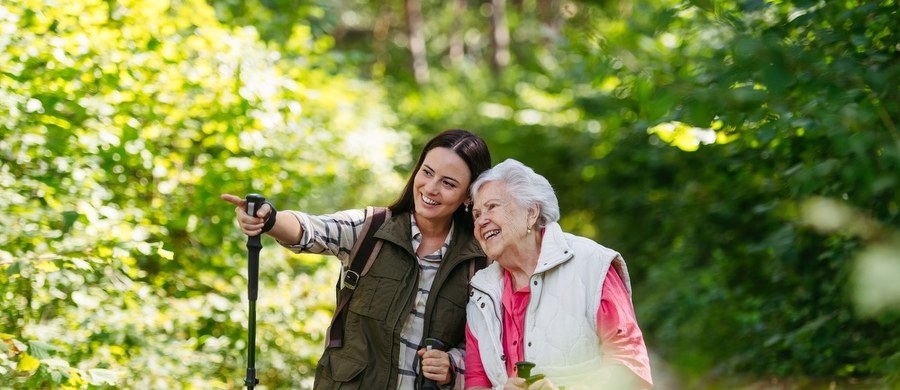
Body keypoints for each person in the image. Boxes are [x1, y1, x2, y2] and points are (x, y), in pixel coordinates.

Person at [222, 129, 492, 389]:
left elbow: (488, 346)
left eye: (448, 183)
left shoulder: (482, 262)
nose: (431, 188)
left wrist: (452, 365)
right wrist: (269, 218)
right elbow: (311, 229)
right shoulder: (371, 228)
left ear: (469, 195)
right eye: (427, 172)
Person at [464, 159, 653, 390]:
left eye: (492, 207)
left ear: (531, 213)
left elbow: (630, 364)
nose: (481, 220)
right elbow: (475, 381)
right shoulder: (481, 293)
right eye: (475, 214)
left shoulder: (591, 264)